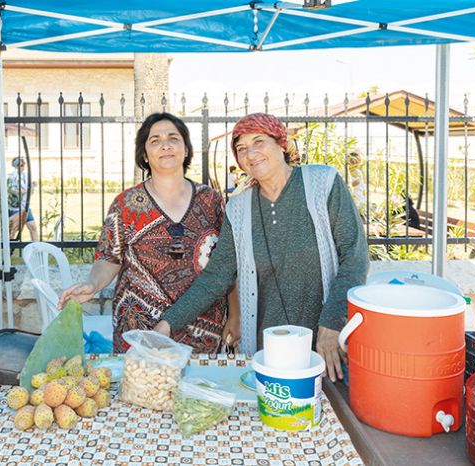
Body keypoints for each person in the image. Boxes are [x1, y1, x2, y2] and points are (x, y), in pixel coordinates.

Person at [153, 113, 369, 382]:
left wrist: (332, 323)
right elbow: (216, 276)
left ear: (281, 144)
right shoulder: (239, 208)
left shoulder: (322, 183)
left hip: (327, 347)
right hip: (270, 354)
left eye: (259, 142)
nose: (251, 154)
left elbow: (355, 255)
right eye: (241, 149)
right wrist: (166, 324)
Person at [58, 112, 238, 353]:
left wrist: (235, 315)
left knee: (198, 390)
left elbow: (227, 266)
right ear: (144, 154)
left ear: (185, 149)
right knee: (139, 390)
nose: (165, 145)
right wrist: (92, 284)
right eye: (155, 140)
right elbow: (109, 258)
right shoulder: (126, 204)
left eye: (173, 138)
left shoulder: (211, 201)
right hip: (140, 332)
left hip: (204, 330)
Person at [8, 156, 39, 242]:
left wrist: (32, 187)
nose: (24, 166)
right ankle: (9, 250)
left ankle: (36, 247)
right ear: (16, 166)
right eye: (21, 164)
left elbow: (30, 191)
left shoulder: (26, 175)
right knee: (12, 230)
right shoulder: (11, 177)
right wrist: (25, 190)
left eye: (24, 164)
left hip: (25, 206)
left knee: (32, 227)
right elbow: (12, 190)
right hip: (16, 208)